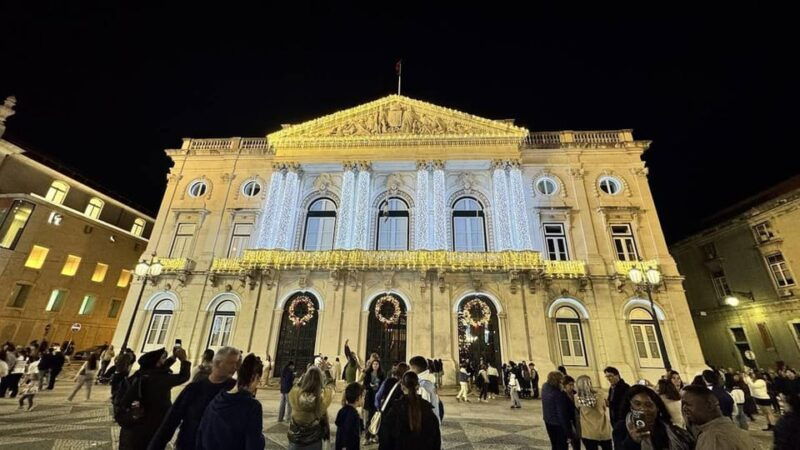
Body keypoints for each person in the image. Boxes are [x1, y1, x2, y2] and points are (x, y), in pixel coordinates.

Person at [148, 346, 239, 450]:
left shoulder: (235, 390)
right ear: (218, 363)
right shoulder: (194, 388)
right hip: (189, 444)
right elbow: (171, 420)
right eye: (232, 363)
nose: (235, 367)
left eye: (237, 364)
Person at [119, 347, 191, 450]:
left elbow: (159, 368)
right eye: (162, 359)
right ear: (156, 363)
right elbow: (183, 376)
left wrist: (173, 358)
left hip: (133, 427)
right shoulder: (160, 379)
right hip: (151, 425)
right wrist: (184, 360)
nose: (164, 361)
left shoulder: (140, 374)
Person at [196, 354, 265, 450]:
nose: (257, 386)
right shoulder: (252, 406)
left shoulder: (218, 398)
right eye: (259, 381)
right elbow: (254, 444)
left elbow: (201, 432)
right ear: (255, 377)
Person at [612, 384, 693, 450]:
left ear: (657, 408)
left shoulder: (667, 429)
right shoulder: (621, 428)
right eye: (637, 404)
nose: (643, 409)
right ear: (630, 407)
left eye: (648, 405)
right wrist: (632, 441)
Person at [681, 384, 757, 449]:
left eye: (687, 404)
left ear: (709, 405)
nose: (684, 409)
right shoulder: (731, 430)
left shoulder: (714, 438)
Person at [378, 371, 442, 449]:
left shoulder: (395, 410)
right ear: (418, 387)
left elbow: (385, 439)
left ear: (402, 387)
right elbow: (436, 440)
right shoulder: (427, 410)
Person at [287, 365, 334, 450]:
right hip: (313, 441)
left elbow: (297, 384)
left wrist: (306, 374)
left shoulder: (294, 393)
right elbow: (331, 387)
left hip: (295, 440)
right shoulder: (321, 399)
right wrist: (326, 371)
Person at [575, 375, 612, 450]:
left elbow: (578, 409)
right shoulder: (600, 395)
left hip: (588, 432)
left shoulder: (576, 398)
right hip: (604, 430)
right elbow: (604, 408)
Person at [542, 371, 574, 450]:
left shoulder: (545, 387)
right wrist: (568, 433)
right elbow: (562, 415)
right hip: (558, 425)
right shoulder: (559, 394)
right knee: (562, 446)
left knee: (554, 444)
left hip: (548, 421)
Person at [408, 356, 440, 423]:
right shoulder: (429, 380)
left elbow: (423, 410)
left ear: (415, 368)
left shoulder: (422, 386)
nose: (409, 371)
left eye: (410, 368)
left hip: (427, 426)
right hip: (433, 423)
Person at [335, 382, 364, 450]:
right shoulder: (354, 415)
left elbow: (338, 424)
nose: (363, 399)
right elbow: (352, 434)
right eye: (363, 396)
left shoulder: (342, 411)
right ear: (358, 398)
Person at [362, 359, 385, 443]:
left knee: (376, 418)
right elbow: (365, 384)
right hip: (370, 397)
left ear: (379, 365)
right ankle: (367, 437)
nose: (375, 365)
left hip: (377, 398)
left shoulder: (381, 374)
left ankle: (374, 435)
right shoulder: (368, 374)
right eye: (374, 364)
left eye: (377, 364)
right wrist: (369, 385)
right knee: (369, 418)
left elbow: (383, 385)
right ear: (371, 365)